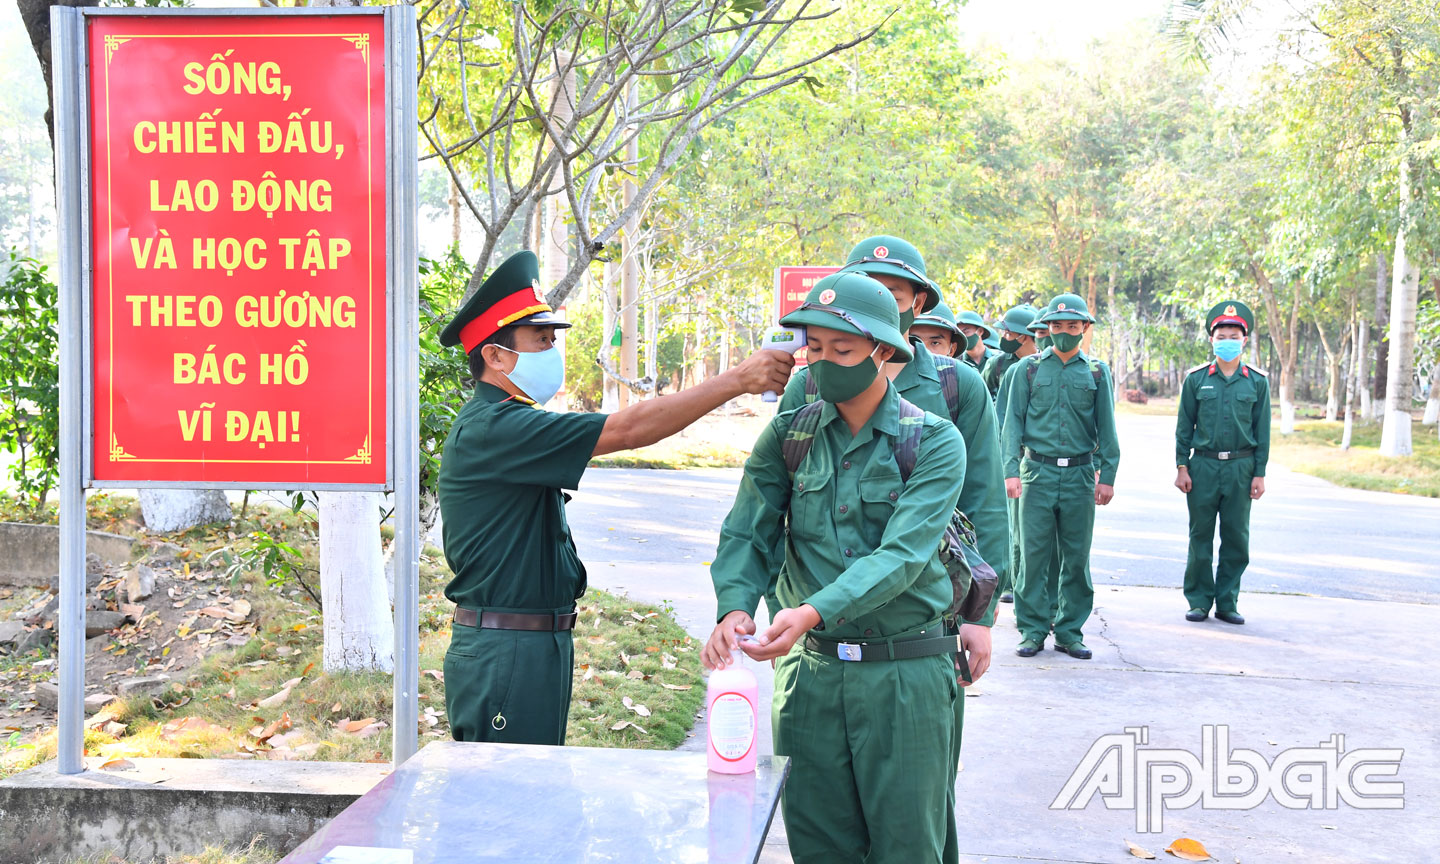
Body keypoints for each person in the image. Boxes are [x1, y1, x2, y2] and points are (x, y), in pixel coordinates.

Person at [435, 250, 793, 745]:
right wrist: (736, 380)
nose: (552, 350)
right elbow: (629, 429)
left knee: (532, 798)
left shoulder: (506, 424)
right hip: (508, 648)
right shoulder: (496, 427)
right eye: (540, 340)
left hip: (528, 642)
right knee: (509, 807)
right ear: (495, 355)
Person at [705, 270, 966, 864]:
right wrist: (736, 606)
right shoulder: (788, 436)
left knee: (908, 847)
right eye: (813, 348)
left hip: (904, 677)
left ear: (882, 350)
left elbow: (903, 555)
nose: (823, 363)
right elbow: (749, 530)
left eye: (842, 349)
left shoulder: (932, 441)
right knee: (818, 845)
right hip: (811, 681)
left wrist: (811, 610)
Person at [777, 235, 1005, 864]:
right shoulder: (812, 385)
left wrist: (981, 615)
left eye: (897, 291)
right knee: (825, 825)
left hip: (916, 629)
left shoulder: (957, 388)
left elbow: (984, 504)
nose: (883, 298)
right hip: (822, 650)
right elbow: (775, 504)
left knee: (915, 814)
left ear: (915, 304)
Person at [999, 293, 1120, 660]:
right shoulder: (1027, 370)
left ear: (1085, 328)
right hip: (1036, 473)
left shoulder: (1097, 372)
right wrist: (1010, 471)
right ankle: (1032, 630)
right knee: (1033, 557)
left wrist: (1108, 475)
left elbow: (1107, 428)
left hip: (1081, 474)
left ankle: (1069, 632)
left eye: (1071, 326)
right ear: (1046, 329)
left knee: (1076, 558)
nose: (1063, 332)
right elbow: (1012, 425)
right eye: (1056, 326)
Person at [1175, 300, 1270, 625]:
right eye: (1221, 335)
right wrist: (1181, 466)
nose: (1227, 340)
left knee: (1236, 538)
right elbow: (1184, 427)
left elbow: (1263, 431)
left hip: (1241, 469)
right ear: (1212, 339)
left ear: (1244, 340)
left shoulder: (1257, 381)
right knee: (1199, 536)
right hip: (1202, 467)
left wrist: (1260, 473)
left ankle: (1227, 602)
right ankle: (1199, 600)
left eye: (1233, 335)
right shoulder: (1196, 379)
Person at [981, 305, 1039, 399]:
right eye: (1004, 333)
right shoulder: (997, 363)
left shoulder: (1045, 361)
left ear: (1025, 337)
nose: (1003, 337)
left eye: (1009, 334)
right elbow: (981, 395)